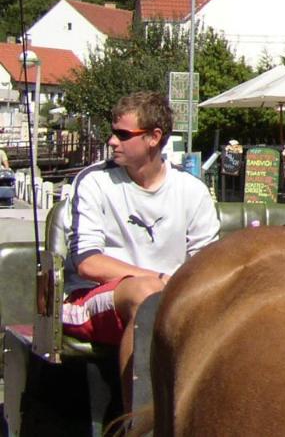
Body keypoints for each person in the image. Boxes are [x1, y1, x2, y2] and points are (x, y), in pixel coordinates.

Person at [63, 91, 219, 409]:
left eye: (122, 134)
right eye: (113, 132)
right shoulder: (95, 182)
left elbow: (207, 263)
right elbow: (87, 262)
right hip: (90, 300)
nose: (112, 141)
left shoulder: (192, 191)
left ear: (153, 137)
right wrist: (161, 279)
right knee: (146, 294)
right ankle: (139, 423)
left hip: (170, 297)